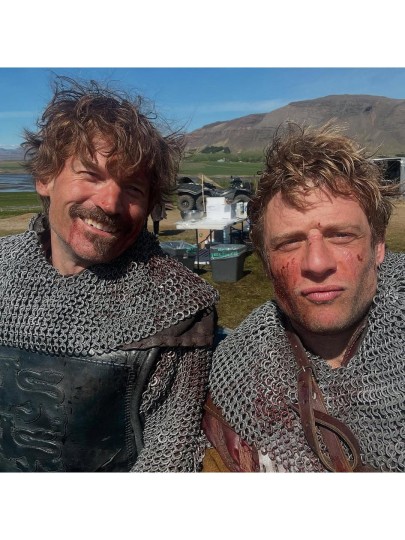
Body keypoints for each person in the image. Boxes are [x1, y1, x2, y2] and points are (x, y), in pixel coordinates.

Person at [0, 76, 219, 472]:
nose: (110, 203)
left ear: (150, 204)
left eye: (133, 188)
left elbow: (167, 457)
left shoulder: (178, 309)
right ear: (45, 178)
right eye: (91, 175)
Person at [202, 123, 404, 472]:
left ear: (378, 245)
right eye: (290, 242)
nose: (317, 263)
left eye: (341, 235)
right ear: (266, 261)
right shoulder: (234, 381)